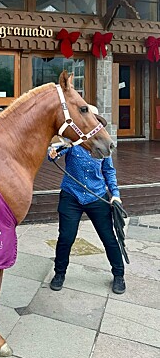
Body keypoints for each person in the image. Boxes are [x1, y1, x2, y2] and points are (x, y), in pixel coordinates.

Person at [48, 105, 126, 294]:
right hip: (71, 196)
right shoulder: (75, 141)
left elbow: (109, 171)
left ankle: (119, 275)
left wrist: (115, 195)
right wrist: (54, 152)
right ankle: (59, 273)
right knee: (66, 237)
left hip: (97, 196)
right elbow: (55, 154)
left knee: (109, 238)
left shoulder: (102, 146)